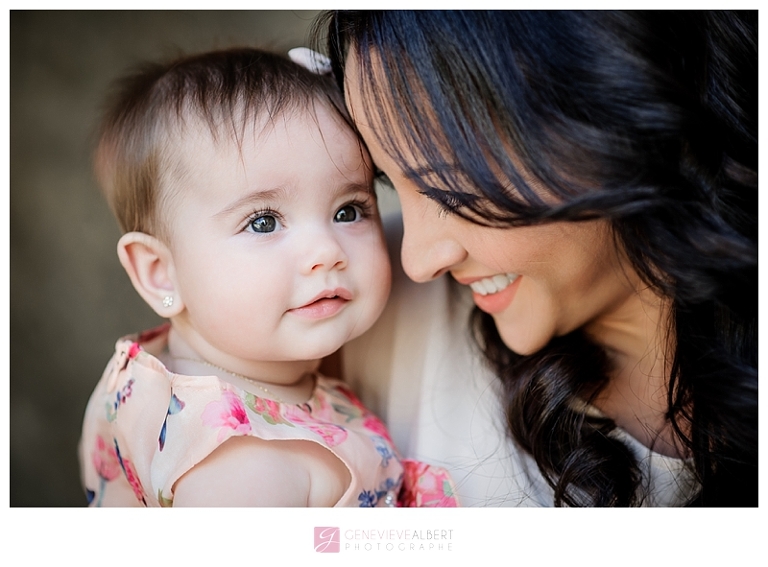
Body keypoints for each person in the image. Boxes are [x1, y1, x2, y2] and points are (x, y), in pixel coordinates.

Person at [319, 10, 757, 506]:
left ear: (615, 110)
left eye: (447, 191)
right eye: (386, 183)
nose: (417, 263)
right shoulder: (348, 292)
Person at [78, 47, 458, 507]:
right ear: (161, 273)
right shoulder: (243, 466)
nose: (326, 251)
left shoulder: (175, 375)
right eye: (263, 222)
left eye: (348, 210)